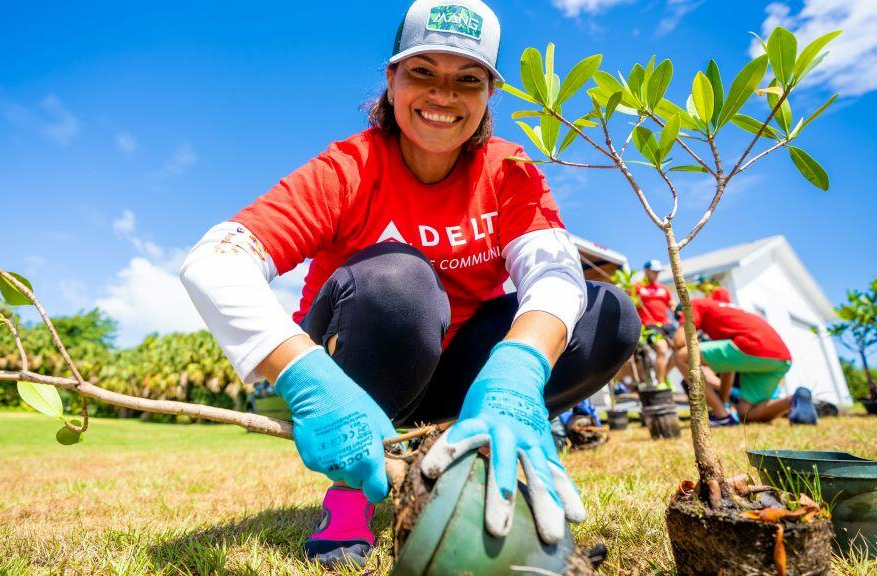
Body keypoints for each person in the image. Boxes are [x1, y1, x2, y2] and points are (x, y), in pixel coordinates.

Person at [179, 0, 640, 566]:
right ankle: (350, 496)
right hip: (355, 364)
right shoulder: (349, 167)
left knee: (607, 313)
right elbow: (214, 262)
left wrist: (517, 370)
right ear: (392, 79)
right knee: (403, 282)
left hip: (459, 374)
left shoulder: (509, 171)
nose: (443, 95)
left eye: (467, 80)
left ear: (488, 95)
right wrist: (309, 381)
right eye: (423, 72)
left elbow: (553, 272)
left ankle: (474, 454)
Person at [673, 298, 818, 425]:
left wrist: (682, 325)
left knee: (681, 356)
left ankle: (722, 416)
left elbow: (679, 342)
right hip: (780, 358)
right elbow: (727, 368)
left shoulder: (693, 305)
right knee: (745, 413)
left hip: (752, 346)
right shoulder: (724, 311)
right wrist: (726, 403)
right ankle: (793, 400)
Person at [633, 259, 677, 386]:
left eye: (658, 272)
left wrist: (677, 310)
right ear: (646, 271)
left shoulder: (663, 288)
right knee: (662, 349)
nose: (656, 274)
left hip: (666, 324)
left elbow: (671, 304)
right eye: (654, 271)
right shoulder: (637, 287)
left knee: (681, 350)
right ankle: (661, 383)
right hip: (648, 325)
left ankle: (663, 375)